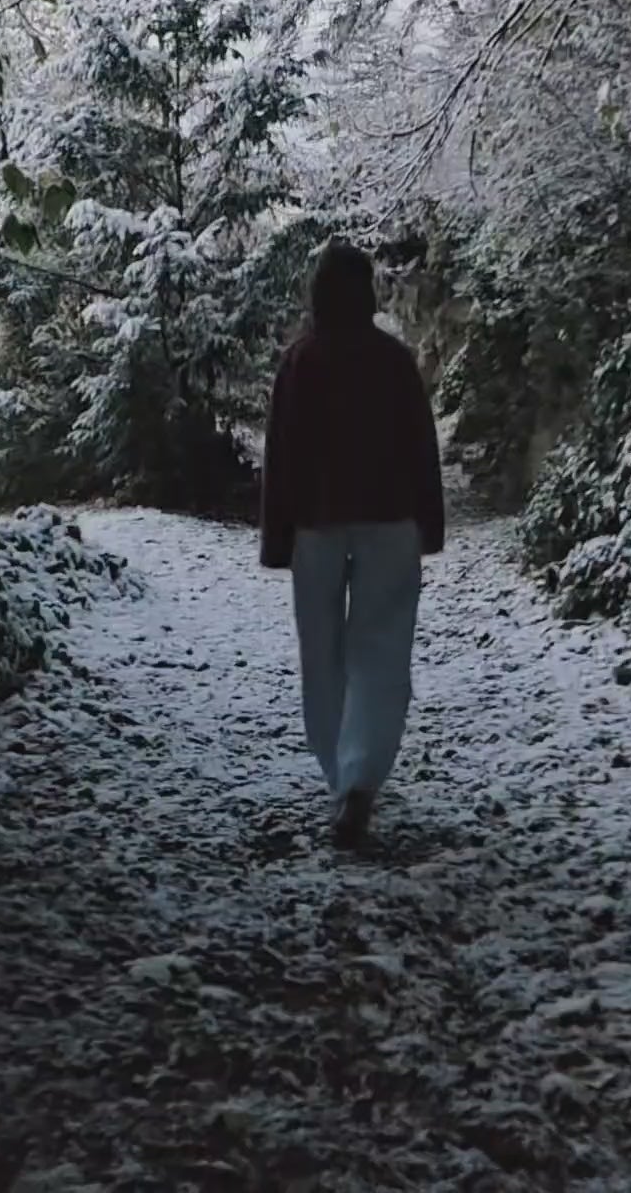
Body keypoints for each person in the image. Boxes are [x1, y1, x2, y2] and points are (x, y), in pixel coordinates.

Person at [260, 240, 445, 847]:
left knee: (323, 652)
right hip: (390, 522)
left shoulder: (301, 361)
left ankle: (340, 774)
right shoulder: (392, 360)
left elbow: (281, 456)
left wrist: (277, 537)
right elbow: (422, 445)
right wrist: (430, 522)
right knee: (381, 651)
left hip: (316, 525)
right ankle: (361, 779)